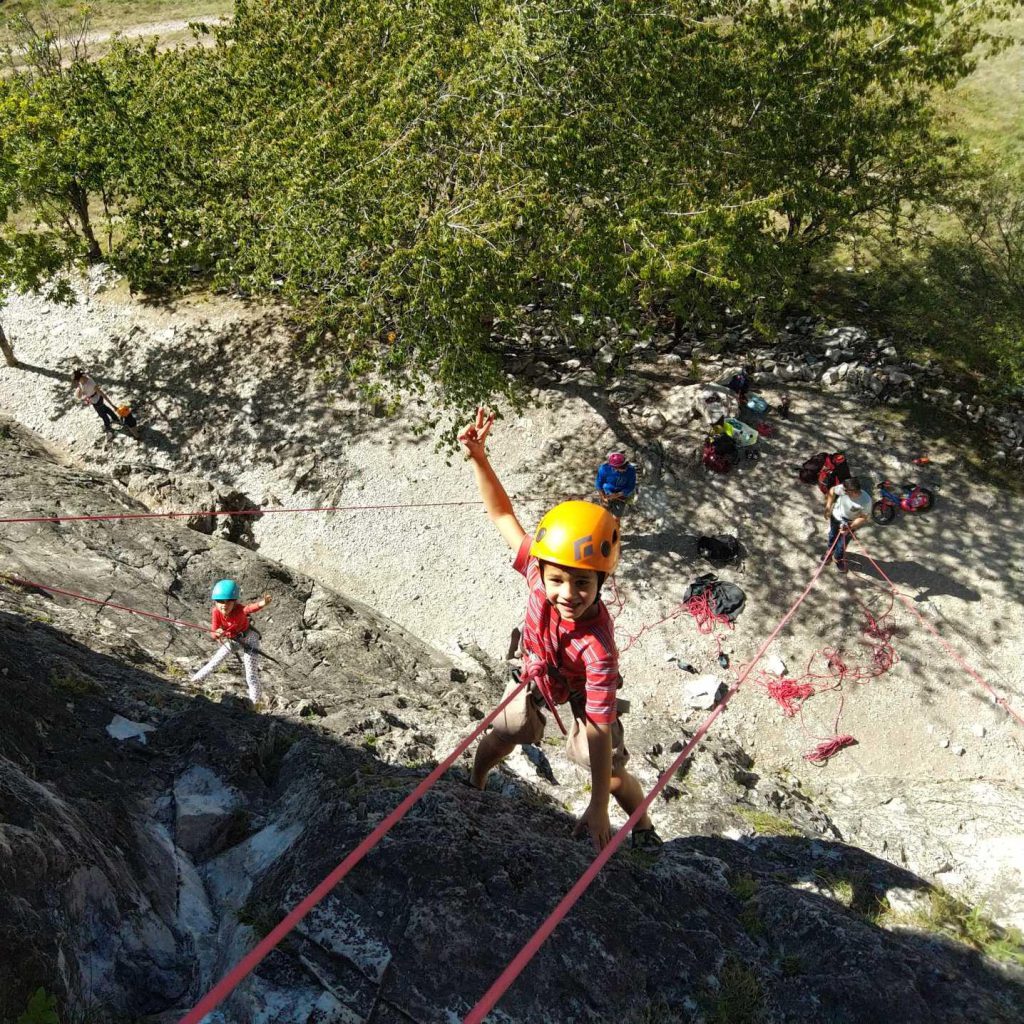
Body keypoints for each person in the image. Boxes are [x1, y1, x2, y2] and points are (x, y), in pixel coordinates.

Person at [458, 407, 661, 853]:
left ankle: (642, 827)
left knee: (604, 765)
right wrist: (479, 457)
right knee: (507, 729)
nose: (568, 592)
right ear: (543, 572)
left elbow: (601, 726)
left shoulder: (598, 648)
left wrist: (598, 804)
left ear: (600, 582)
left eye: (582, 583)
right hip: (537, 668)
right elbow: (502, 516)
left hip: (579, 683)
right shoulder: (536, 570)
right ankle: (475, 780)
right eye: (558, 580)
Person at [190, 579, 272, 704]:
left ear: (235, 602)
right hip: (233, 640)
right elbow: (213, 632)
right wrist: (217, 633)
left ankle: (253, 703)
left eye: (228, 601)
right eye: (220, 601)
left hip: (250, 639)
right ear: (215, 602)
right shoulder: (216, 612)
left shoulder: (239, 609)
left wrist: (263, 603)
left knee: (251, 674)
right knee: (215, 662)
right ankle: (194, 682)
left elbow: (250, 608)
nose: (224, 605)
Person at [824, 476, 871, 572]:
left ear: (853, 491)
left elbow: (863, 517)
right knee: (832, 535)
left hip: (850, 523)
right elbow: (832, 491)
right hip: (836, 517)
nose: (843, 491)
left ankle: (837, 557)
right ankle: (829, 551)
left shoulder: (866, 501)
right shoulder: (844, 489)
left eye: (846, 491)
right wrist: (828, 506)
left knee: (842, 543)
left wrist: (849, 527)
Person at [72, 368, 118, 434]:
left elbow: (101, 392)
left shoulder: (90, 383)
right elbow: (79, 396)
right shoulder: (81, 382)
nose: (76, 382)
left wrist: (112, 405)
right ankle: (115, 418)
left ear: (79, 378)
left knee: (102, 414)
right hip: (93, 400)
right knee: (104, 408)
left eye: (76, 380)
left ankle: (108, 426)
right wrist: (80, 389)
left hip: (97, 400)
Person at [594, 451, 637, 518]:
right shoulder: (604, 469)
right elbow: (599, 484)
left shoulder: (631, 470)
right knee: (603, 514)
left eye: (625, 465)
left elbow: (631, 486)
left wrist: (618, 495)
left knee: (617, 517)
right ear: (614, 467)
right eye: (622, 468)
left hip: (621, 495)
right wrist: (603, 497)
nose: (625, 469)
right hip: (607, 492)